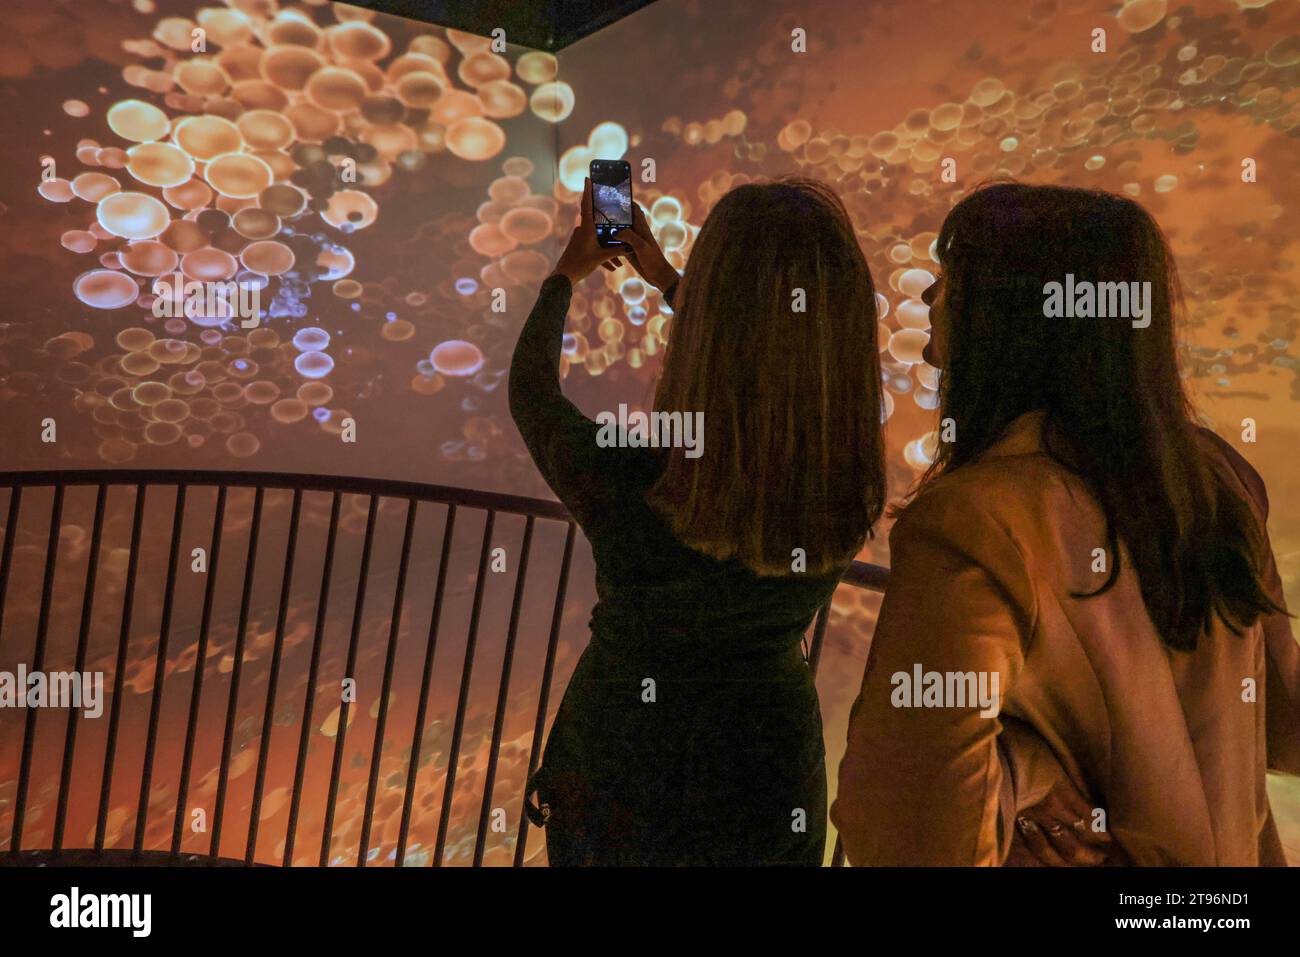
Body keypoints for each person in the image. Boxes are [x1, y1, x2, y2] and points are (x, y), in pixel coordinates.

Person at [832, 181, 1300, 866]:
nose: (929, 299)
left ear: (1013, 316)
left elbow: (912, 829)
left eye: (953, 278)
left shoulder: (975, 522)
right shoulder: (1217, 479)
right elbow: (1284, 725)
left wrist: (1023, 767)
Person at [510, 175, 886, 865]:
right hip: (771, 777)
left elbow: (533, 394)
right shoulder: (847, 483)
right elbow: (772, 357)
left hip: (623, 773)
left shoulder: (633, 483)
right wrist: (667, 279)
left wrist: (566, 272)